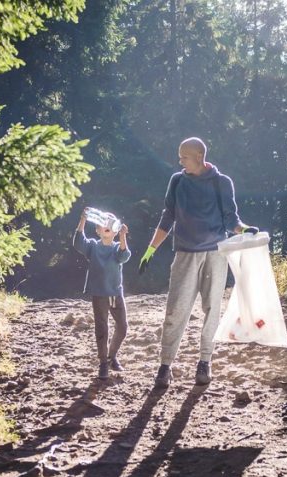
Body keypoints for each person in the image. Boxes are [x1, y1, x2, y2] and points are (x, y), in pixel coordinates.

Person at [139, 137, 258, 388]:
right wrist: (150, 250)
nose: (179, 161)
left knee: (212, 309)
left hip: (215, 254)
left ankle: (205, 362)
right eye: (179, 156)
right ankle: (165, 366)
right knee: (175, 310)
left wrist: (245, 230)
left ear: (199, 157)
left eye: (184, 157)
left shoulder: (221, 183)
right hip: (184, 254)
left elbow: (231, 220)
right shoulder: (178, 181)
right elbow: (167, 216)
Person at [73, 207, 131, 380]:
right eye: (102, 223)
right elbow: (78, 242)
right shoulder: (92, 246)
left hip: (115, 293)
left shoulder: (116, 248)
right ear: (97, 230)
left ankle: (111, 356)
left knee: (122, 327)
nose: (106, 225)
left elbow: (124, 256)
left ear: (114, 230)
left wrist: (123, 236)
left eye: (110, 223)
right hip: (99, 294)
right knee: (102, 328)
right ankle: (103, 363)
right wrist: (83, 220)